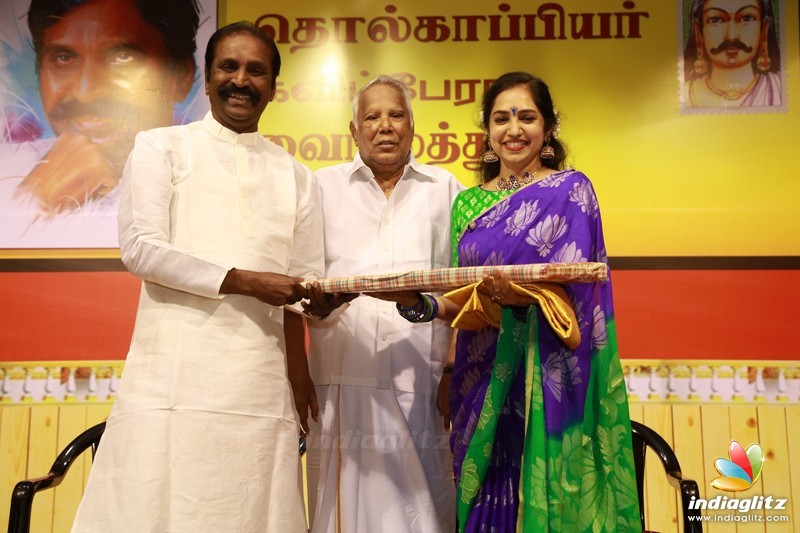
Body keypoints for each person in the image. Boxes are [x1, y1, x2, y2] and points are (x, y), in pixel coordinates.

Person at [71, 21, 320, 532]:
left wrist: (317, 318)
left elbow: (304, 282)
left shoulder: (297, 176)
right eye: (228, 66)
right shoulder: (161, 147)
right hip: (173, 379)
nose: (241, 80)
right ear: (206, 80)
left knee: (251, 511)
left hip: (258, 386)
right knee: (156, 510)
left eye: (256, 70)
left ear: (273, 87)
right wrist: (246, 281)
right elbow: (141, 249)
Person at [377, 72, 641, 531]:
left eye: (526, 117)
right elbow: (463, 304)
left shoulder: (571, 191)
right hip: (482, 380)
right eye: (501, 118)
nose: (513, 129)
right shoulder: (468, 205)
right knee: (486, 498)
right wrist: (416, 303)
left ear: (548, 127)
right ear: (487, 131)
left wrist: (514, 295)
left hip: (552, 373)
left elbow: (575, 297)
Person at [301, 75, 462, 533]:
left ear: (414, 126)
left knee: (425, 512)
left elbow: (460, 292)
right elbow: (303, 284)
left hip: (422, 383)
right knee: (338, 516)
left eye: (396, 115)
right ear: (353, 130)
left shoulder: (444, 188)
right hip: (340, 381)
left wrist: (451, 370)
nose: (384, 126)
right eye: (372, 116)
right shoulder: (322, 187)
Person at [0, 0, 201, 245]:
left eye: (122, 57)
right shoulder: (9, 172)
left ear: (181, 76)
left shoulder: (208, 185)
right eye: (63, 58)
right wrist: (32, 201)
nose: (86, 92)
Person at [683, 0, 782, 108]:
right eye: (716, 20)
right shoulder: (685, 96)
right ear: (699, 32)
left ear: (763, 30)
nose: (731, 36)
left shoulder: (781, 89)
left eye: (746, 18)